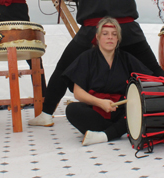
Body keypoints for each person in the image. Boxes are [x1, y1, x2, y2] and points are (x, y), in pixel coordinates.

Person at [29, 0, 164, 127]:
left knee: (63, 69)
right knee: (154, 69)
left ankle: (47, 114)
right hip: (127, 30)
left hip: (94, 31)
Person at [64, 18, 152, 146]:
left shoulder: (126, 58)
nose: (110, 37)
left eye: (114, 34)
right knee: (72, 109)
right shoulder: (86, 57)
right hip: (96, 111)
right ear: (98, 37)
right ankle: (117, 131)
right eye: (105, 34)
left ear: (118, 39)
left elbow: (147, 80)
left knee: (143, 108)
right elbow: (78, 93)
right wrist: (100, 103)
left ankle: (104, 135)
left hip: (122, 111)